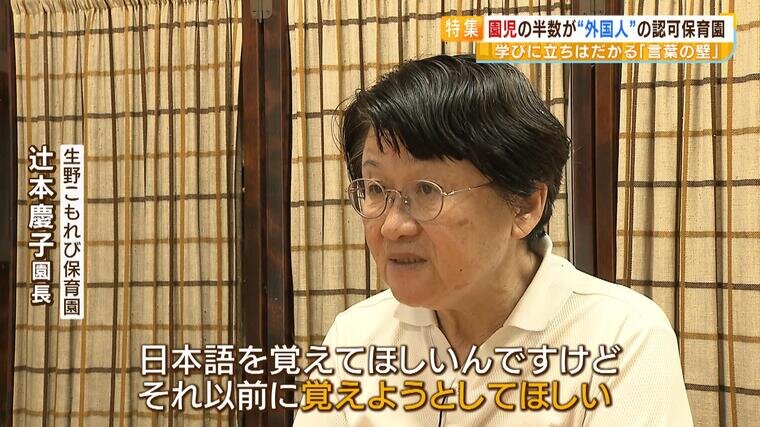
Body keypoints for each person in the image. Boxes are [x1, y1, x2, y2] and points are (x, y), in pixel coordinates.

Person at [292, 54, 692, 426]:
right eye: (376, 188)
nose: (392, 226)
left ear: (524, 205)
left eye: (428, 190)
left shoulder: (620, 337)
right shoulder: (356, 337)